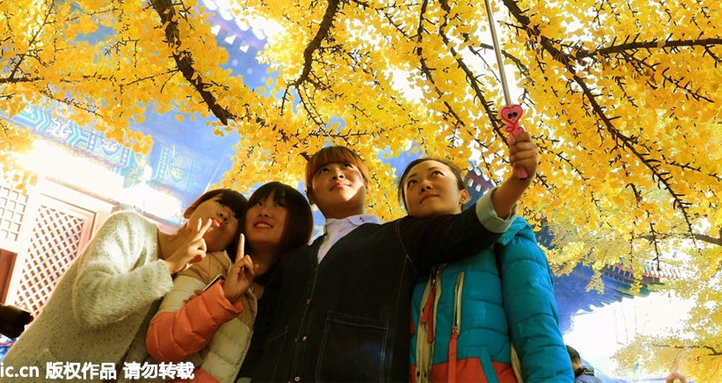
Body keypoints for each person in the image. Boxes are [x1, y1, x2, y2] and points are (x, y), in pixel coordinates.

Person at [241, 131, 538, 382]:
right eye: (323, 171)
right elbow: (263, 331)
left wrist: (517, 181)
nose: (337, 174)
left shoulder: (399, 236)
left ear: (366, 184)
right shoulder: (294, 260)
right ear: (311, 195)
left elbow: (466, 229)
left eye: (347, 167)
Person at [0, 188, 248, 383]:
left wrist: (195, 318)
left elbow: (160, 368)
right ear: (191, 210)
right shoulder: (130, 227)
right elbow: (90, 303)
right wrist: (169, 266)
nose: (226, 214)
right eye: (221, 203)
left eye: (236, 216)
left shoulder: (188, 287)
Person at [400, 157, 572, 382]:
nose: (424, 184)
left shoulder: (507, 238)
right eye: (412, 183)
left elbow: (537, 328)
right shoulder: (401, 262)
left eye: (436, 174)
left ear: (464, 195)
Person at [146, 182, 313, 383]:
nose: (264, 211)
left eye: (279, 204)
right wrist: (221, 299)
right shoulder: (209, 265)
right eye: (258, 203)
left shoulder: (299, 293)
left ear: (299, 221)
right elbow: (161, 343)